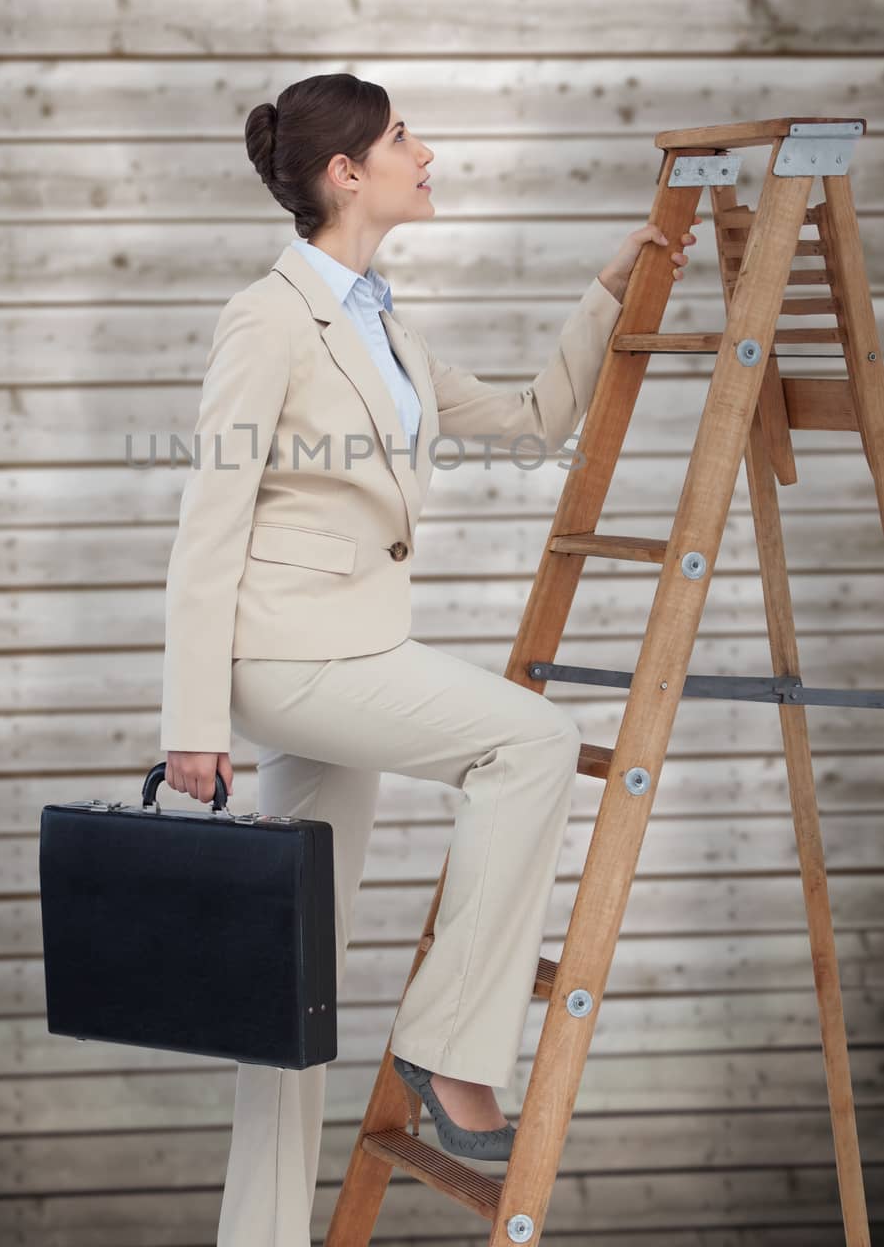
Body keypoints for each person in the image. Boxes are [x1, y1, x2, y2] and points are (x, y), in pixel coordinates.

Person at [159, 72, 698, 1245]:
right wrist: (191, 721)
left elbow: (527, 421)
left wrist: (609, 296)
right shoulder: (268, 316)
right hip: (289, 660)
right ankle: (452, 1048)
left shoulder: (380, 319)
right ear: (347, 173)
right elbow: (210, 520)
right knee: (531, 736)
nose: (428, 152)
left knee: (291, 977)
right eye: (407, 138)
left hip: (350, 653)